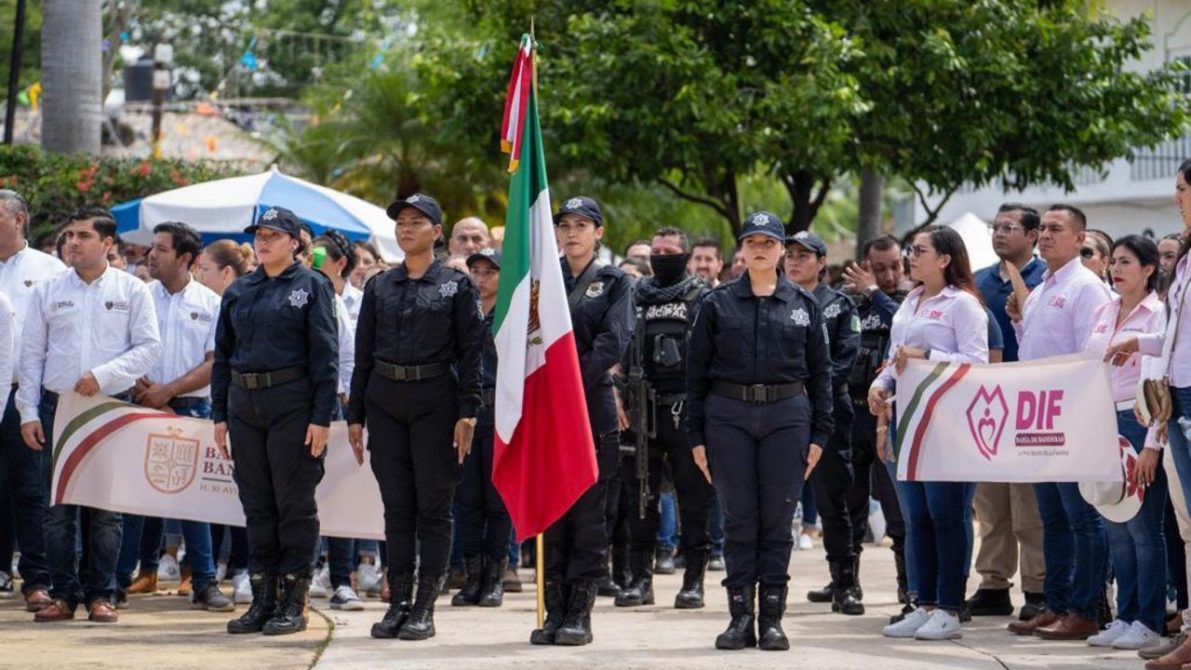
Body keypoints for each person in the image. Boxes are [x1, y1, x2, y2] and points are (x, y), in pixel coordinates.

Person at [687, 211, 831, 651]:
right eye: (753, 242)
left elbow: (821, 375)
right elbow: (695, 375)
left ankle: (771, 619)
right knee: (739, 520)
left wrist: (820, 435)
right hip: (728, 416)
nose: (761, 249)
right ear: (742, 249)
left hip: (787, 417)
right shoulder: (716, 303)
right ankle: (739, 618)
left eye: (769, 242)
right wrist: (695, 436)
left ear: (782, 249)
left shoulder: (804, 305)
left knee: (777, 521)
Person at [347, 193, 483, 641]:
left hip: (436, 400)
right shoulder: (380, 286)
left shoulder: (455, 285)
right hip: (385, 399)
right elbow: (363, 353)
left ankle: (425, 605)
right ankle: (399, 602)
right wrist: (355, 414)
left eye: (416, 222)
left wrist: (468, 411)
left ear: (437, 232)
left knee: (434, 508)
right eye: (401, 222)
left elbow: (472, 351)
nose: (406, 229)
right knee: (397, 507)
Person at [18, 208, 162, 623]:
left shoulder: (132, 290)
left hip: (109, 407)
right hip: (57, 407)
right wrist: (28, 411)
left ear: (107, 243)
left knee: (106, 511)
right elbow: (31, 355)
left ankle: (102, 594)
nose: (72, 243)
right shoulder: (48, 290)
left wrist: (104, 375)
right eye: (69, 235)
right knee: (58, 509)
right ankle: (63, 595)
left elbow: (149, 347)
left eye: (83, 236)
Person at [213, 206, 339, 636]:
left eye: (273, 235)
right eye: (259, 235)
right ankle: (263, 598)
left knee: (294, 504)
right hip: (244, 404)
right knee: (257, 505)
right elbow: (223, 355)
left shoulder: (311, 285)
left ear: (295, 242)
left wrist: (322, 417)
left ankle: (293, 600)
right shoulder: (240, 289)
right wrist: (219, 413)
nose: (263, 242)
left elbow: (326, 356)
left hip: (293, 403)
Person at [870, 226, 989, 641]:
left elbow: (976, 364)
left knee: (947, 515)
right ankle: (923, 603)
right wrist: (880, 385)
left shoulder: (963, 305)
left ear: (944, 259)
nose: (911, 256)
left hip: (947, 424)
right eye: (911, 249)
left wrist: (927, 355)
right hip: (907, 420)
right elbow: (895, 358)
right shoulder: (910, 301)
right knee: (916, 516)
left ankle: (950, 607)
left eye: (919, 250)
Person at [530, 196, 633, 647]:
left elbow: (613, 342)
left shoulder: (615, 282)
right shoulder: (541, 280)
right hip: (548, 407)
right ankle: (554, 607)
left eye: (581, 225)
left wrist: (569, 383)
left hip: (589, 403)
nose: (572, 233)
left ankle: (579, 612)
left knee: (588, 515)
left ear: (598, 233)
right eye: (565, 225)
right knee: (553, 512)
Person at [1005, 204, 1112, 640]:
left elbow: (1092, 355)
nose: (1045, 235)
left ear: (1079, 238)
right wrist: (1018, 320)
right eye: (1043, 229)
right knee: (1053, 519)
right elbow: (1033, 348)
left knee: (1082, 518)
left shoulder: (1087, 288)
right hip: (1040, 416)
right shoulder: (1043, 288)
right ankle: (1057, 603)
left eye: (1055, 229)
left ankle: (1085, 609)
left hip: (1071, 417)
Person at [119, 221, 233, 612]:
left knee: (193, 501)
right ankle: (119, 579)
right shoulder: (138, 295)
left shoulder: (211, 303)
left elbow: (215, 362)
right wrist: (146, 391)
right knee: (132, 498)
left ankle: (203, 581)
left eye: (161, 249)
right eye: (152, 247)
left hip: (191, 409)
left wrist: (168, 392)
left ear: (185, 258)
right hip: (139, 403)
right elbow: (123, 349)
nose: (151, 255)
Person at [1116, 159, 1191, 670]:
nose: (1176, 197)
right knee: (1187, 525)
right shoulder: (1184, 258)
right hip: (1176, 398)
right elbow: (1175, 336)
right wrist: (1140, 342)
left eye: (1182, 188)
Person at [616, 227, 713, 610]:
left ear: (684, 256)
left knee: (693, 499)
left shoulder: (701, 296)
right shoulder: (635, 294)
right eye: (655, 251)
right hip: (641, 408)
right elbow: (618, 345)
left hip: (685, 408)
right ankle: (640, 580)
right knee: (640, 499)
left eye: (669, 251)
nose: (660, 257)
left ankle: (693, 581)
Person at [1082, 235, 1167, 651]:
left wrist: (1152, 440)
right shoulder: (1104, 309)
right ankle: (1125, 615)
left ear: (1148, 269)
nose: (1116, 269)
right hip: (1103, 420)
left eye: (1126, 262)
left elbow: (1160, 382)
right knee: (1114, 525)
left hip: (1139, 419)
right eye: (1113, 261)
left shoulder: (1158, 314)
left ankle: (1150, 620)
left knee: (1143, 527)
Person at [967, 204, 1048, 620]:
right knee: (990, 501)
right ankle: (993, 582)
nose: (999, 234)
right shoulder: (977, 281)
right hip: (987, 405)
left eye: (1009, 227)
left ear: (1032, 235)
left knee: (1028, 503)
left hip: (1030, 401)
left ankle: (1037, 587)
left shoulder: (1046, 279)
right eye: (995, 227)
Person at [785, 231, 864, 616]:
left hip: (827, 410)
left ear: (821, 261)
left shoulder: (839, 305)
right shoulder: (776, 301)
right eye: (790, 254)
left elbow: (844, 360)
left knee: (834, 499)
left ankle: (845, 583)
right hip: (783, 412)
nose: (794, 261)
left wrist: (805, 389)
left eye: (803, 255)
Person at [0, 189, 63, 612]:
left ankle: (37, 579)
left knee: (29, 488)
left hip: (26, 393)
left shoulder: (49, 269)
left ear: (18, 219)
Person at [840, 235, 910, 611]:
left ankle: (908, 585)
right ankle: (846, 584)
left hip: (891, 416)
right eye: (879, 268)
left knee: (897, 509)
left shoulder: (910, 300)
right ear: (866, 265)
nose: (889, 275)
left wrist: (875, 293)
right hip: (853, 413)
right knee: (848, 505)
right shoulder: (849, 302)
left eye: (895, 266)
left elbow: (902, 326)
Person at [309, 231, 368, 611]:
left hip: (332, 408)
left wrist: (348, 404)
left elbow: (347, 356)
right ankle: (299, 576)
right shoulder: (283, 293)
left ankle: (342, 578)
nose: (310, 263)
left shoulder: (334, 301)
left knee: (338, 493)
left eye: (316, 257)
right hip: (292, 408)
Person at [451, 248, 512, 608]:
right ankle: (473, 576)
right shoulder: (462, 312)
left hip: (500, 412)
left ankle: (495, 577)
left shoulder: (511, 315)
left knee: (497, 501)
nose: (482, 278)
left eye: (490, 271)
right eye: (476, 270)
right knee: (468, 500)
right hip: (465, 413)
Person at [196, 239, 255, 605]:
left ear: (227, 272)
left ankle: (246, 567)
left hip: (248, 409)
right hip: (223, 408)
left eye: (205, 269)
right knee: (214, 492)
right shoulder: (223, 303)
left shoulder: (244, 300)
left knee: (245, 495)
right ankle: (218, 565)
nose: (200, 275)